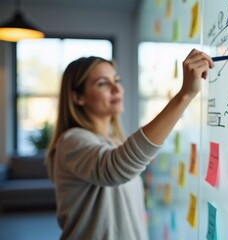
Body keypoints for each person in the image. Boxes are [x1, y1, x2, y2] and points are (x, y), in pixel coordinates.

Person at [46, 49, 214, 240]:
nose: (116, 88)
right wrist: (184, 95)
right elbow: (117, 167)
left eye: (117, 80)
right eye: (102, 83)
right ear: (78, 97)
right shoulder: (72, 141)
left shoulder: (115, 141)